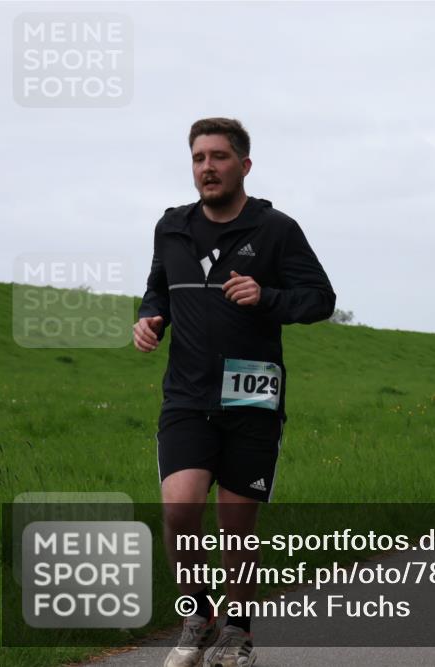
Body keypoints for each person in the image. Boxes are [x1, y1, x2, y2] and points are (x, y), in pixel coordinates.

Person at [134, 118, 336, 667]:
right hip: (186, 395)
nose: (207, 167)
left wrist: (266, 295)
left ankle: (239, 630)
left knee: (236, 526)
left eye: (218, 156)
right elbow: (157, 289)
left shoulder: (276, 229)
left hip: (252, 397)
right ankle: (198, 616)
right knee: (179, 510)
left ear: (244, 165)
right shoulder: (171, 228)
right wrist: (150, 317)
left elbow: (320, 298)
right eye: (198, 157)